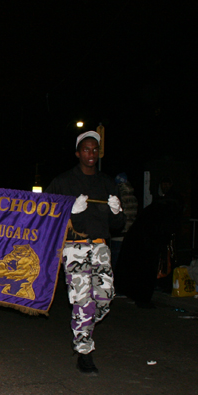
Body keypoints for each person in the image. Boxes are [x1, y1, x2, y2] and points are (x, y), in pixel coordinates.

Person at [45, 130, 125, 374]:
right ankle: (84, 351)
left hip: (100, 247)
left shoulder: (107, 183)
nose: (91, 154)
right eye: (86, 149)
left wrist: (117, 212)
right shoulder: (63, 182)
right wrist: (71, 212)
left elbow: (118, 226)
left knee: (105, 297)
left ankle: (83, 324)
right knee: (82, 301)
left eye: (95, 149)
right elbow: (47, 213)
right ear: (78, 153)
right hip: (75, 248)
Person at [109, 172, 137, 271]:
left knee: (115, 265)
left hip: (119, 234)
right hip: (129, 234)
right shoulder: (132, 195)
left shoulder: (119, 195)